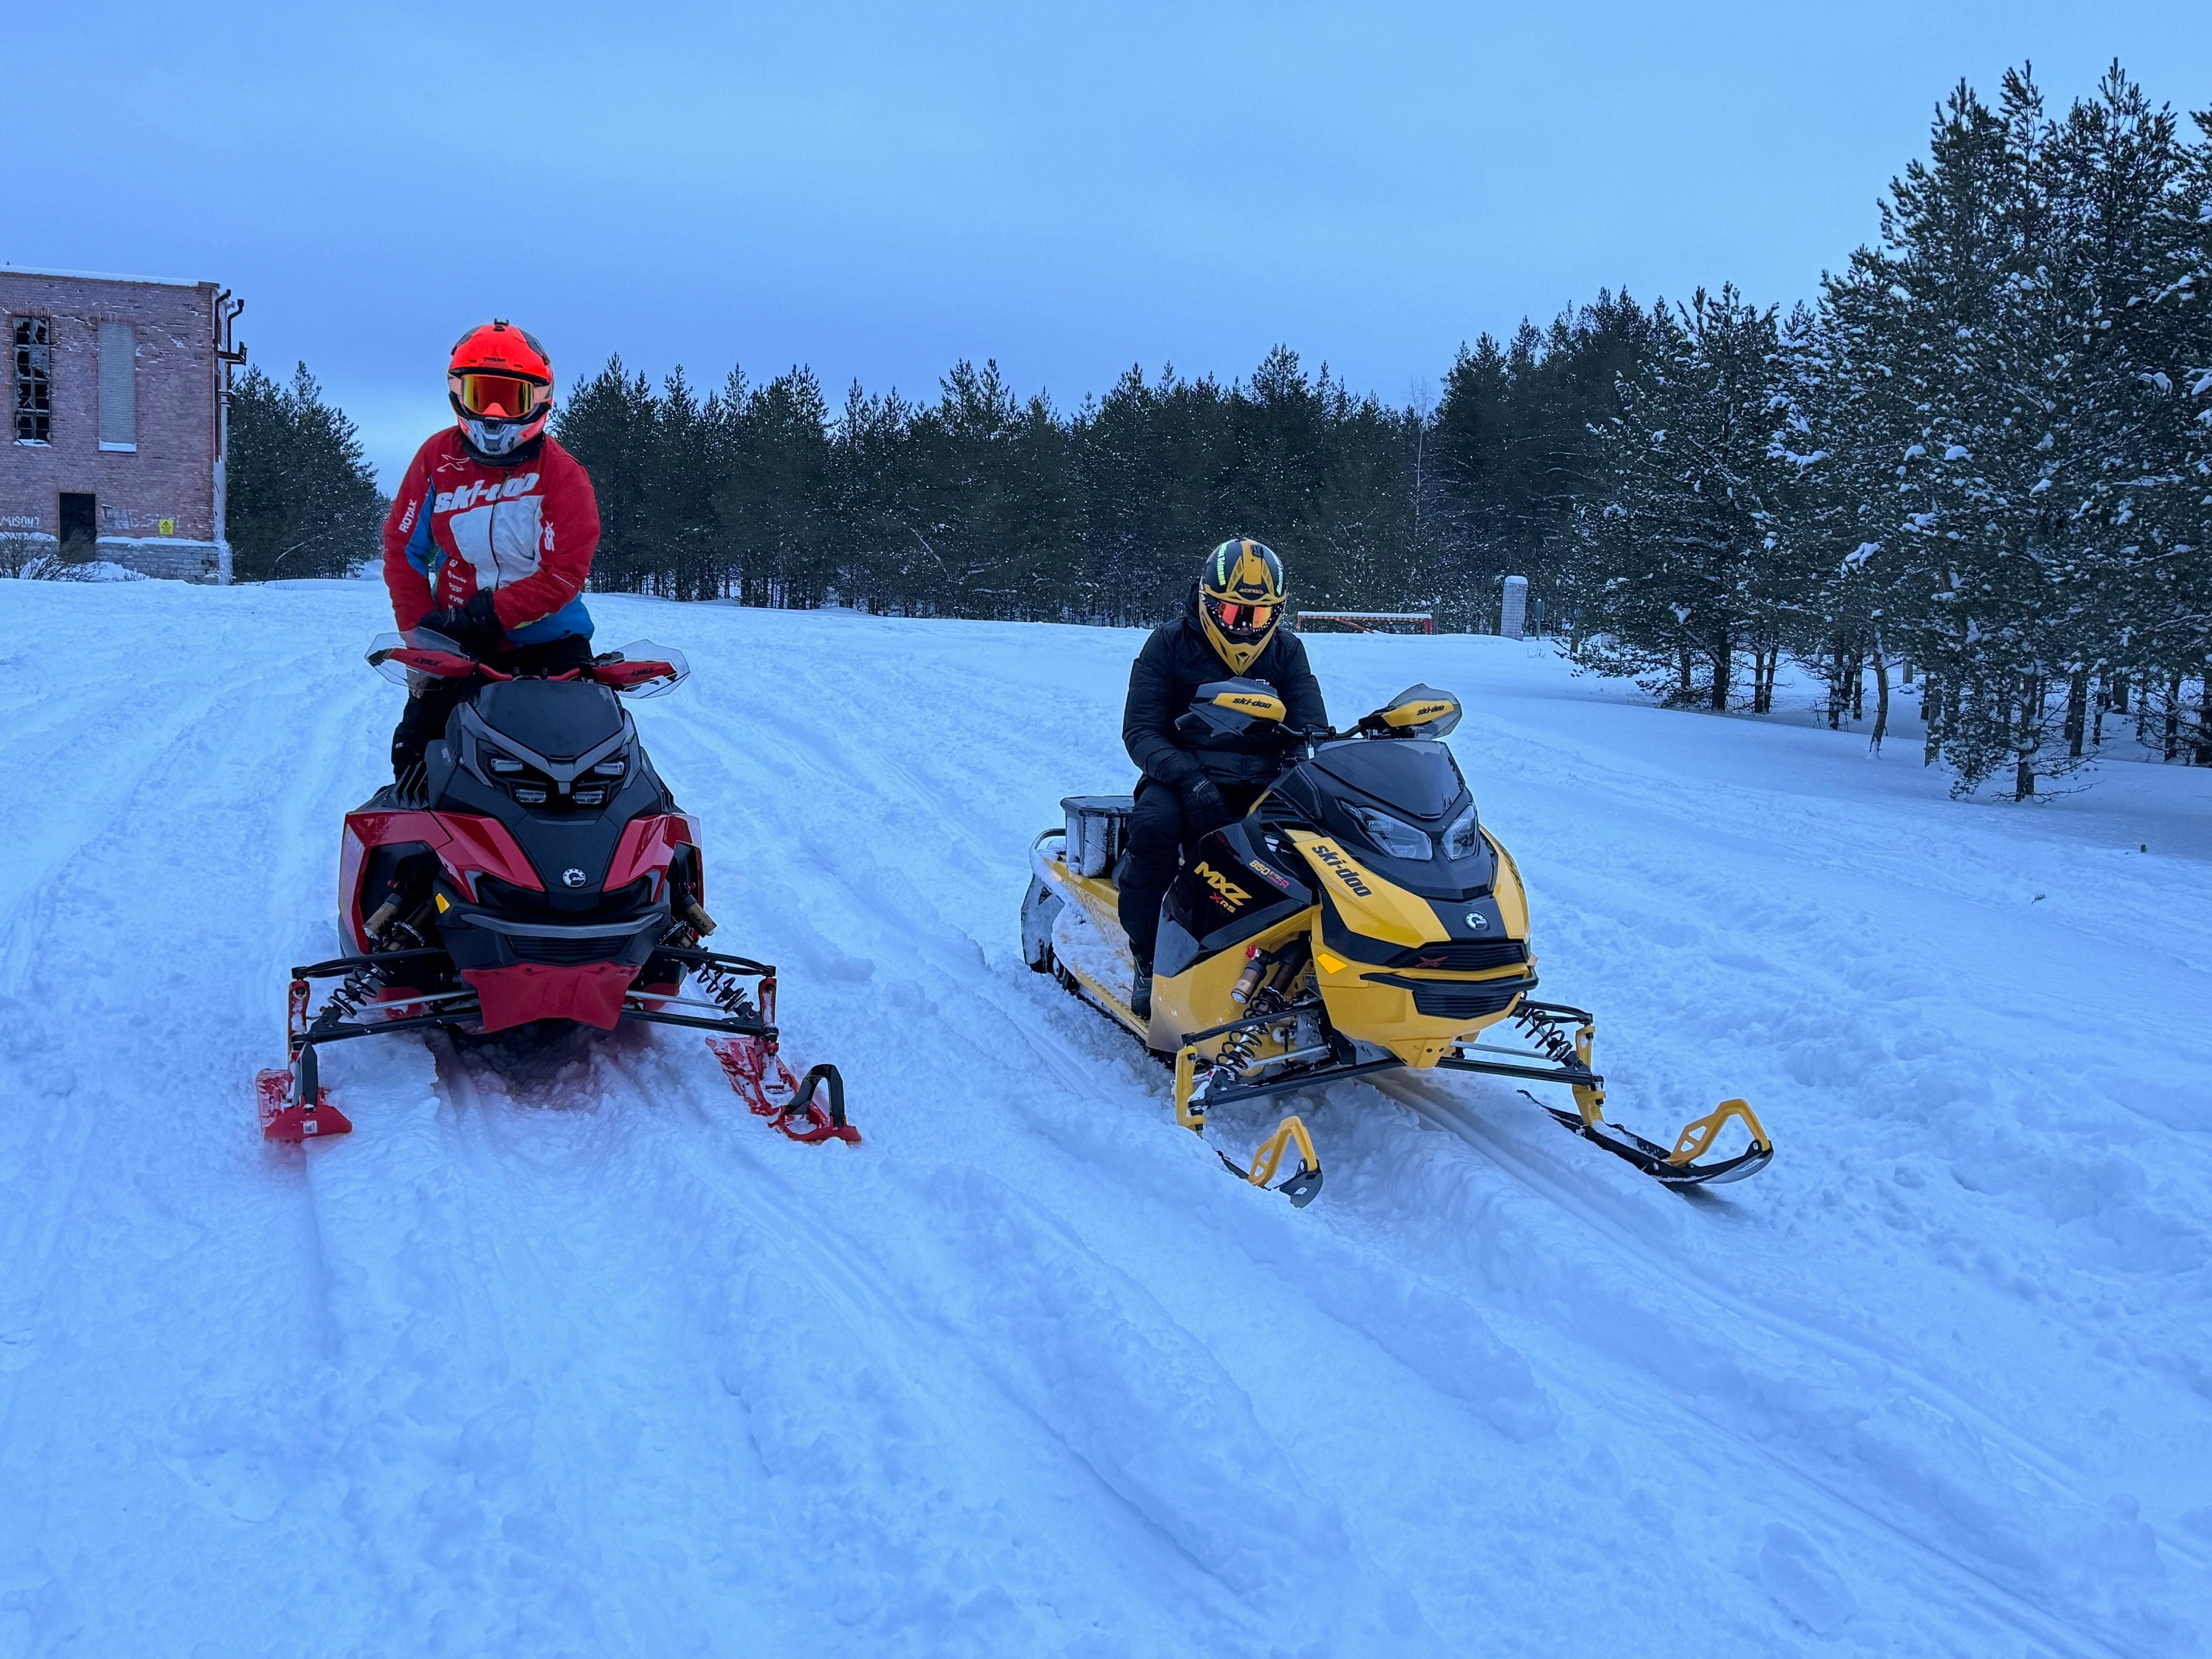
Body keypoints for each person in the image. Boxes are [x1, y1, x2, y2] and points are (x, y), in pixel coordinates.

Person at [381, 321, 603, 789]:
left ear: (540, 400)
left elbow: (564, 573)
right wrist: (422, 636)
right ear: (459, 393)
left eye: (512, 398)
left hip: (549, 640)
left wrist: (485, 615)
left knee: (579, 763)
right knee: (419, 756)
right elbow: (404, 549)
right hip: (454, 642)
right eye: (483, 395)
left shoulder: (563, 475)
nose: (496, 413)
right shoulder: (436, 459)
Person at [1118, 537, 1326, 1016]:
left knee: (1319, 849)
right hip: (1180, 773)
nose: (1245, 629)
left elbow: (1310, 728)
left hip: (1267, 778)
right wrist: (1188, 779)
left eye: (1258, 618)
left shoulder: (1288, 652)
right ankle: (1149, 957)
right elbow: (1141, 731)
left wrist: (1297, 770)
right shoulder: (1167, 644)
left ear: (1277, 613)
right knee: (1153, 831)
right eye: (1233, 615)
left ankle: (1313, 956)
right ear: (1207, 602)